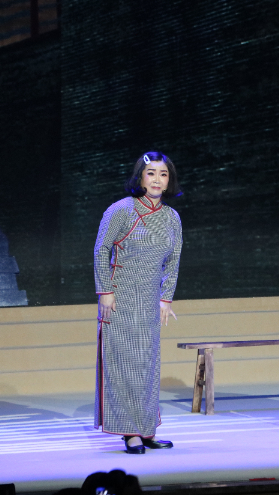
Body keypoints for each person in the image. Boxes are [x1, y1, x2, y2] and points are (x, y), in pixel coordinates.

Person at [94, 151, 183, 454]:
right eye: (151, 173)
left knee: (147, 366)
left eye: (163, 174)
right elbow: (101, 250)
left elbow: (173, 261)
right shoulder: (121, 210)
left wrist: (166, 298)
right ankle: (129, 431)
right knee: (123, 366)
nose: (157, 179)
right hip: (119, 298)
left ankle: (146, 429)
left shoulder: (171, 218)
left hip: (149, 300)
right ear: (140, 177)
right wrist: (105, 291)